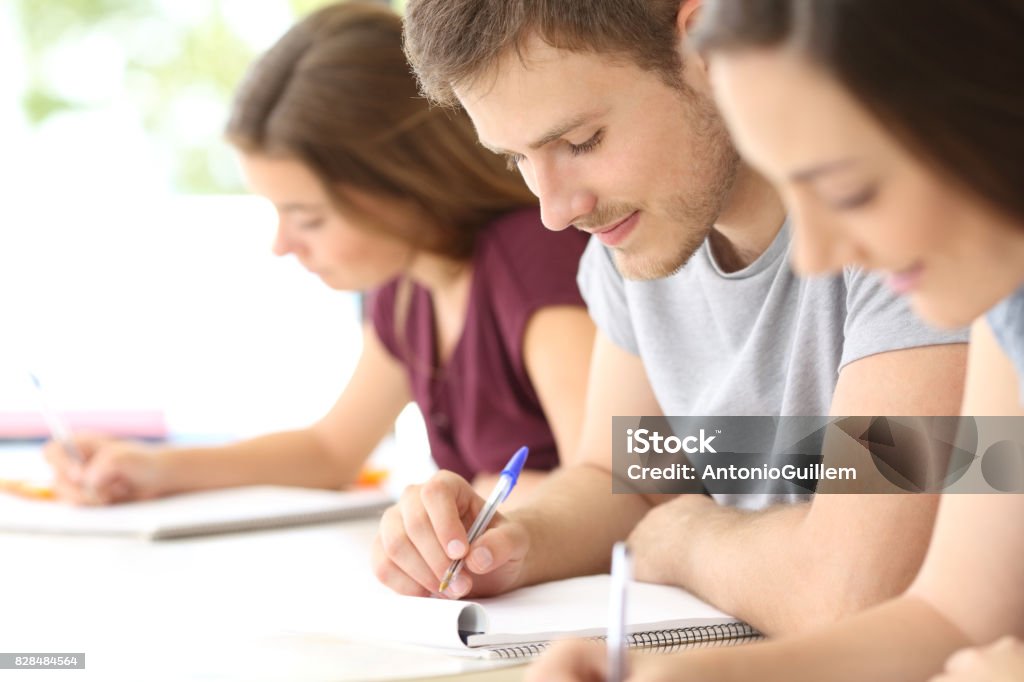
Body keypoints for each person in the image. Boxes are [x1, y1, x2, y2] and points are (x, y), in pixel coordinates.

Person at [374, 0, 968, 632]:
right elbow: (631, 479)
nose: (554, 211)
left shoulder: (903, 222)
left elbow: (860, 586)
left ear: (707, 44)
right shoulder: (635, 236)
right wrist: (510, 541)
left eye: (581, 142)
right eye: (516, 159)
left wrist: (685, 539)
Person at [529, 0, 1024, 679]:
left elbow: (858, 591)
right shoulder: (1006, 321)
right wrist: (700, 675)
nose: (814, 256)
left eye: (848, 190)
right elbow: (954, 617)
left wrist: (690, 537)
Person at [44, 2, 594, 509]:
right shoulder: (408, 291)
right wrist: (153, 468)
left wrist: (478, 503)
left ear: (405, 182)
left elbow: (608, 486)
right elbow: (331, 451)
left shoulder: (533, 257)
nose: (282, 245)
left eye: (307, 217)